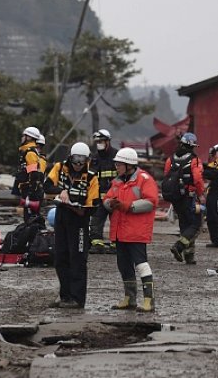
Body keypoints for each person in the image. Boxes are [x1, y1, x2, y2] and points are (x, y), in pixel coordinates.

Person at [104, 147, 159, 313]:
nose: (116, 167)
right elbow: (106, 198)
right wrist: (109, 203)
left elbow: (151, 201)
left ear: (129, 165)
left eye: (119, 164)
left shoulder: (144, 180)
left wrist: (128, 206)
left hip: (136, 232)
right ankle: (130, 298)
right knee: (124, 265)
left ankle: (149, 300)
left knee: (141, 265)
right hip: (120, 232)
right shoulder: (118, 181)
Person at [44, 142, 99, 309]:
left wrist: (80, 208)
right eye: (75, 160)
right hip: (61, 215)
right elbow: (47, 186)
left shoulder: (91, 177)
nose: (78, 164)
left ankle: (77, 299)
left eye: (82, 161)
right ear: (70, 157)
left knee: (78, 259)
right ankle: (65, 296)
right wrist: (61, 190)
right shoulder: (60, 168)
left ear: (87, 160)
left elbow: (94, 203)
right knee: (60, 256)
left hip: (79, 220)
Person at [164, 132, 204, 265]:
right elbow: (198, 179)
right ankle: (179, 246)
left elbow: (166, 176)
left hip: (176, 198)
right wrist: (201, 194)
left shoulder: (171, 159)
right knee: (195, 225)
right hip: (189, 196)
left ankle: (189, 256)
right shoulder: (194, 160)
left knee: (184, 226)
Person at [88, 129, 119, 254]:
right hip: (99, 198)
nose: (99, 144)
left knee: (117, 221)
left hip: (114, 198)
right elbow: (91, 178)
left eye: (101, 141)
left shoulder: (117, 156)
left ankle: (116, 244)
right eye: (97, 141)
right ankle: (97, 244)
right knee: (96, 221)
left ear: (108, 141)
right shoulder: (94, 158)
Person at [15, 126, 46, 222]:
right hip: (27, 189)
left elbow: (33, 172)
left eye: (23, 136)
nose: (22, 138)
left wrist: (31, 191)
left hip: (30, 190)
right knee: (29, 217)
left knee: (31, 219)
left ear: (29, 137)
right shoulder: (27, 152)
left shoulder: (30, 153)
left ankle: (35, 234)